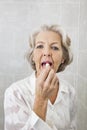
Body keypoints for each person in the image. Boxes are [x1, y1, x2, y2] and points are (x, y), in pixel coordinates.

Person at [4, 24, 77, 130]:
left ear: (63, 58)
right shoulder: (15, 93)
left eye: (54, 47)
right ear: (33, 56)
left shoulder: (70, 92)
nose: (47, 53)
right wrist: (41, 99)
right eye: (40, 46)